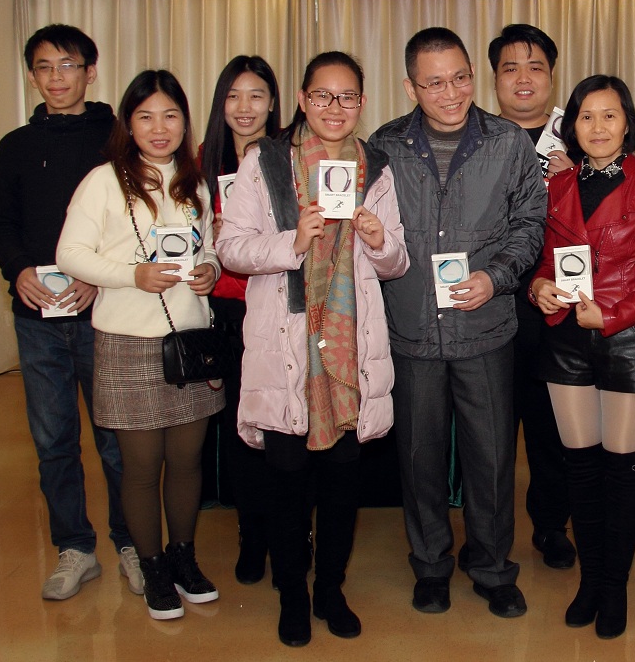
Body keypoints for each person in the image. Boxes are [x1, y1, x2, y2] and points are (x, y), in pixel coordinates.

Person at [217, 51, 409, 647]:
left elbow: (396, 262)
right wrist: (291, 241)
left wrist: (378, 240)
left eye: (347, 97)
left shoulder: (377, 168)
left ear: (362, 104)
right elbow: (231, 247)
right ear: (302, 100)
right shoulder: (265, 162)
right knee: (287, 479)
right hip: (287, 345)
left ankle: (330, 589)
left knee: (342, 483)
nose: (334, 107)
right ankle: (292, 596)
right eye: (322, 95)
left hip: (349, 350)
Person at [368, 27, 546, 620]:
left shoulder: (508, 143)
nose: (451, 94)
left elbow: (529, 224)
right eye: (435, 83)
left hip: (485, 327)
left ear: (474, 76)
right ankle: (430, 566)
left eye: (461, 79)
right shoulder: (385, 146)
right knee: (418, 457)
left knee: (491, 458)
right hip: (411, 327)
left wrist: (496, 277)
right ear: (411, 87)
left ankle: (492, 567)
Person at [57, 69, 224, 621]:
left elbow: (208, 246)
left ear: (184, 122)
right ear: (128, 124)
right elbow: (70, 254)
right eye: (146, 116)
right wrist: (133, 275)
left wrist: (208, 269)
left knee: (188, 461)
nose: (159, 127)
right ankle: (152, 566)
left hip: (190, 342)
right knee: (142, 466)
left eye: (170, 115)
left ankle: (184, 558)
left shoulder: (194, 182)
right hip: (128, 344)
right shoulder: (104, 181)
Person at [0, 24, 138, 601]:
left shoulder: (117, 140)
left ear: (90, 72)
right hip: (38, 320)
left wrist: (98, 277)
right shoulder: (15, 145)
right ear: (32, 76)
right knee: (53, 441)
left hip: (105, 314)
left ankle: (132, 542)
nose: (56, 78)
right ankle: (75, 548)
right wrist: (19, 269)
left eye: (68, 65)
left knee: (117, 440)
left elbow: (133, 224)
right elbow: (2, 223)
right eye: (44, 67)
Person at [528, 75, 635, 639]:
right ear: (572, 126)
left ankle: (614, 587)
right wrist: (538, 288)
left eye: (609, 115)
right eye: (586, 116)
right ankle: (590, 581)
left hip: (627, 336)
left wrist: (612, 317)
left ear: (627, 122)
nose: (597, 127)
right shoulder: (556, 185)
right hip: (566, 337)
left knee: (622, 467)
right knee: (580, 465)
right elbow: (543, 260)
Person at [486, 23, 576, 569]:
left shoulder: (580, 136)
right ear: (494, 79)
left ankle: (551, 525)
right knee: (490, 427)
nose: (523, 78)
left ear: (551, 76)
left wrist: (576, 182)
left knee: (550, 423)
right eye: (510, 68)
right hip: (490, 300)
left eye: (535, 67)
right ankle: (486, 531)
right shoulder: (474, 136)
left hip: (555, 305)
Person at [198, 55, 283, 585]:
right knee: (241, 432)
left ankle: (290, 535)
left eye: (256, 95)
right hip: (226, 312)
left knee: (286, 432)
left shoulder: (289, 157)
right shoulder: (201, 162)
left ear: (273, 103)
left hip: (278, 306)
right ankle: (251, 536)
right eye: (233, 96)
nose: (244, 107)